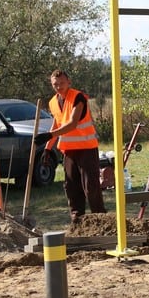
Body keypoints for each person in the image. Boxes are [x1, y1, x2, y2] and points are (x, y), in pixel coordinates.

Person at [34, 70, 105, 223]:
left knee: (91, 188)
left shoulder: (78, 97)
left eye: (62, 83)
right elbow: (57, 123)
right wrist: (47, 148)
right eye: (55, 84)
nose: (59, 87)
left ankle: (101, 220)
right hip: (69, 152)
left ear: (69, 82)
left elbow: (72, 123)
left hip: (87, 149)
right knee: (72, 188)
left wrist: (49, 136)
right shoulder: (53, 102)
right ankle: (77, 222)